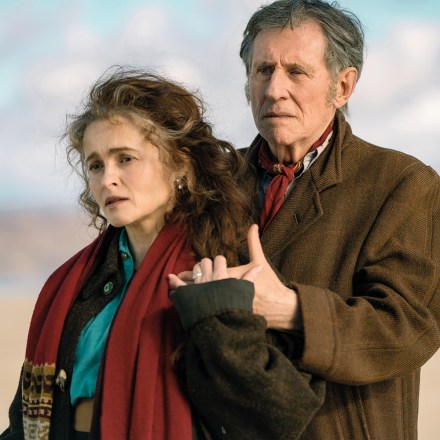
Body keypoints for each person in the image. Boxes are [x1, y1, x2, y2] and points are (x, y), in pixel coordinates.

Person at [1, 68, 324, 440]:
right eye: (95, 165)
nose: (107, 179)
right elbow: (23, 424)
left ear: (180, 165)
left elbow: (280, 417)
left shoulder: (228, 264)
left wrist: (214, 315)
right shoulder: (70, 285)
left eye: (125, 158)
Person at [171, 0, 440, 438]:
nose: (274, 89)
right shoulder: (213, 182)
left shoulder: (403, 184)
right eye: (263, 70)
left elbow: (406, 329)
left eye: (296, 71)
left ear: (343, 86)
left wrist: (290, 309)